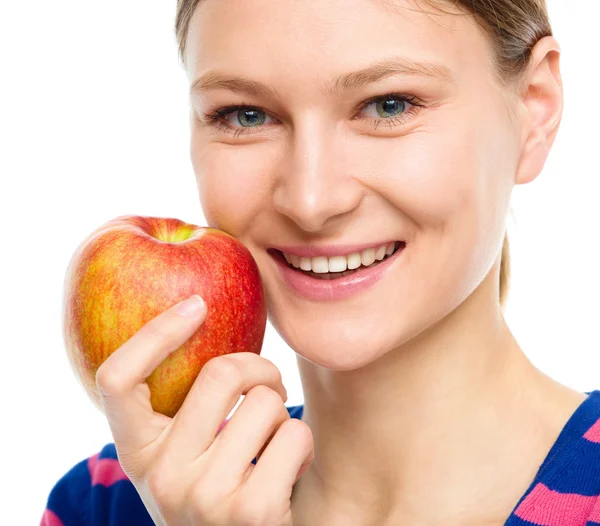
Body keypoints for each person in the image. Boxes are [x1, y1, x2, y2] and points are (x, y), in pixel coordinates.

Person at [41, 0, 600, 524]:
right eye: (246, 115)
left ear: (534, 110)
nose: (311, 201)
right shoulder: (107, 504)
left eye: (389, 106)